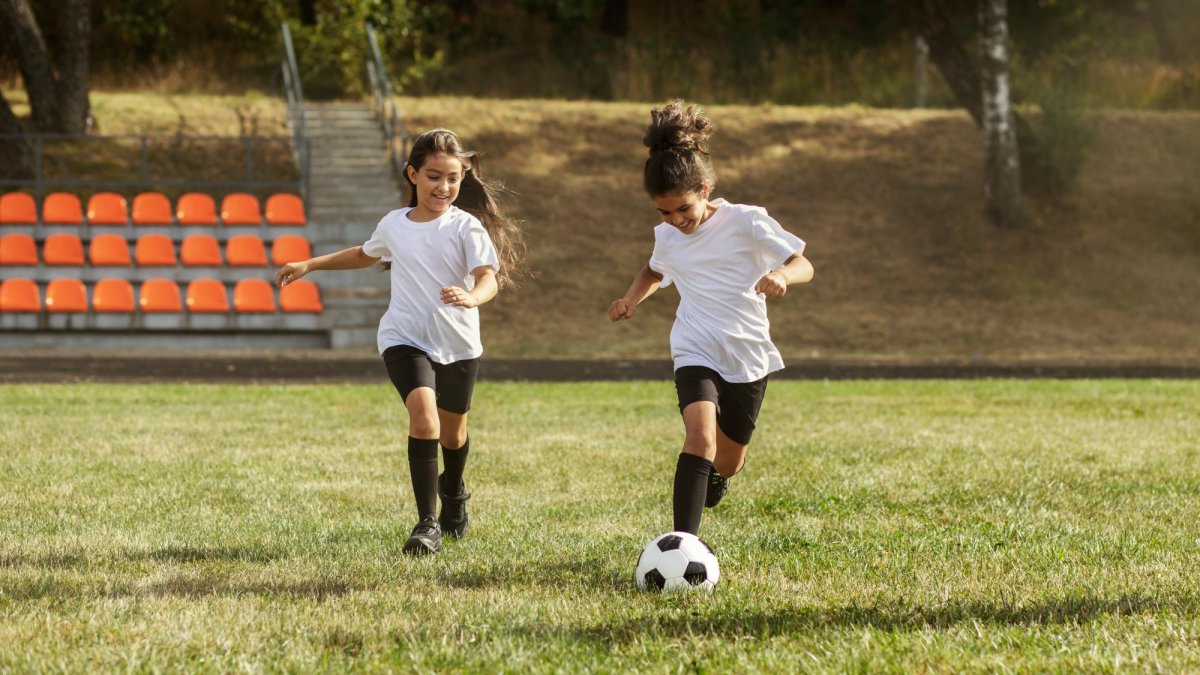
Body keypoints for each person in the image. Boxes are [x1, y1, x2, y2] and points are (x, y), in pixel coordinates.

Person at [276, 128, 526, 555]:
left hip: (459, 344)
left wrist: (472, 296)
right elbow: (364, 253)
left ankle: (454, 491)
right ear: (412, 174)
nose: (443, 187)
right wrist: (309, 264)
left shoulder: (467, 228)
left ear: (462, 179)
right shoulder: (394, 224)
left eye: (452, 178)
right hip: (404, 337)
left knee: (453, 435)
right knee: (423, 417)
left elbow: (488, 278)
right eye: (433, 176)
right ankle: (426, 523)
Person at [609, 100, 814, 536]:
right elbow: (653, 269)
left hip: (746, 352)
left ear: (703, 189)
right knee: (699, 439)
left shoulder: (747, 221)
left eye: (683, 209)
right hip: (695, 346)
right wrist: (630, 299)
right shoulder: (667, 236)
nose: (676, 221)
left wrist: (781, 275)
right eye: (664, 212)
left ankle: (718, 477)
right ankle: (685, 543)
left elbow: (804, 264)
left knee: (729, 459)